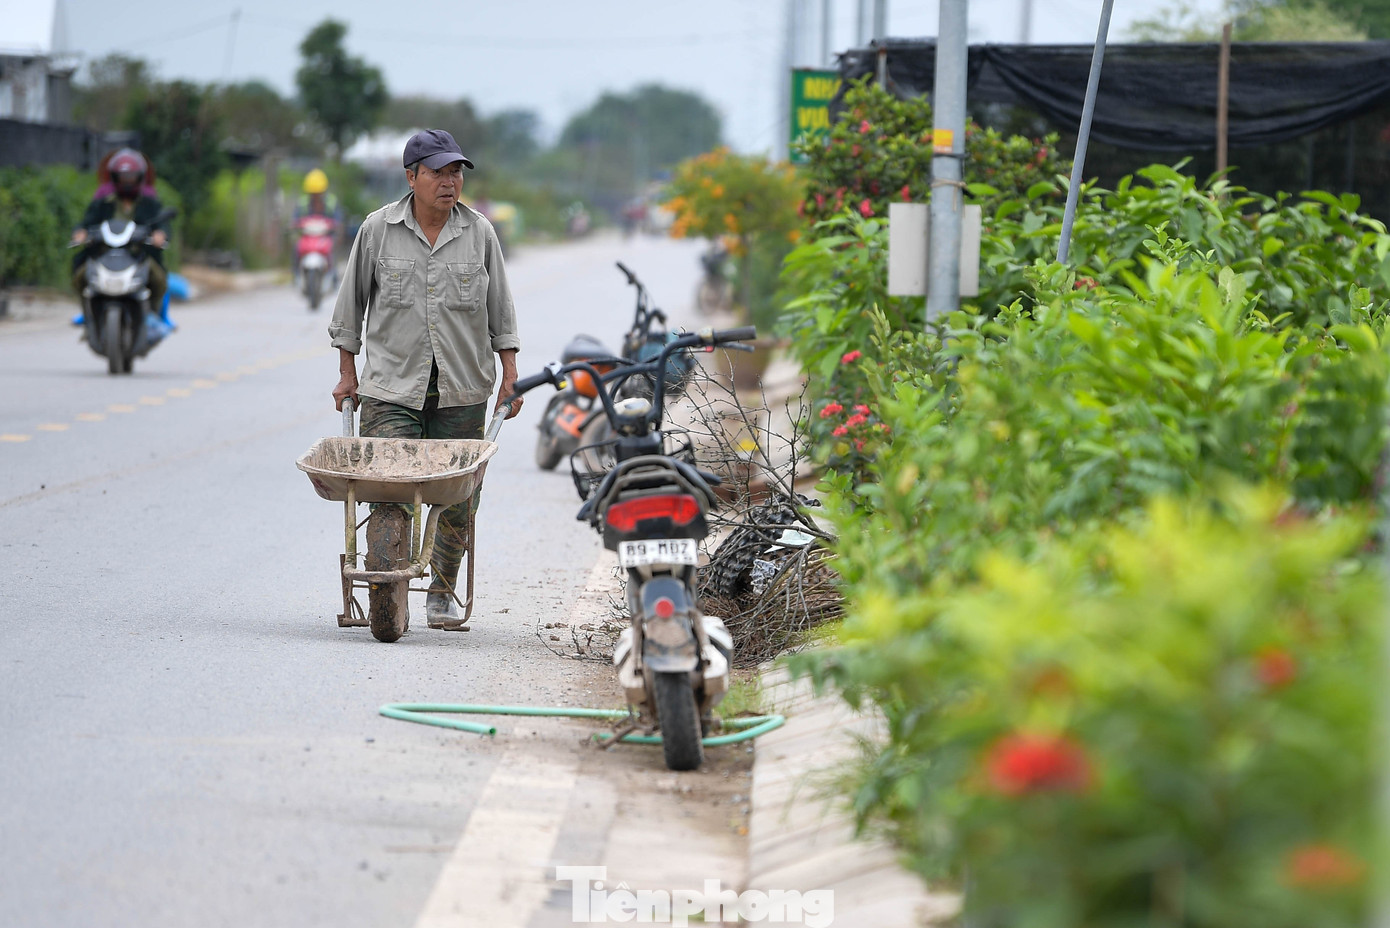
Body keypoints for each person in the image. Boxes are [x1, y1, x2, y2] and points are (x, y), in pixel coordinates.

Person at [329, 128, 523, 630]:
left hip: (462, 388)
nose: (449, 182)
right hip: (391, 389)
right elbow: (350, 307)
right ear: (411, 177)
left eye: (456, 172)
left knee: (457, 500)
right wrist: (347, 374)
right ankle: (386, 582)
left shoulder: (479, 232)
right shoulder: (377, 230)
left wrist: (510, 374)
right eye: (438, 172)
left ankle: (441, 590)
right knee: (388, 488)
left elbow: (501, 310)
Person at [70, 149, 172, 329]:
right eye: (123, 177)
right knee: (80, 275)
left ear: (140, 177)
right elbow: (86, 223)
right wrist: (81, 233)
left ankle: (152, 315)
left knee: (159, 279)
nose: (127, 181)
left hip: (138, 255)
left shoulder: (150, 203)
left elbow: (161, 226)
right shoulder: (103, 202)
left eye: (131, 177)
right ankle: (88, 312)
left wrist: (160, 235)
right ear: (115, 177)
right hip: (104, 254)